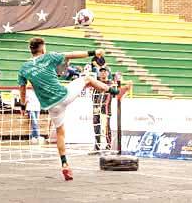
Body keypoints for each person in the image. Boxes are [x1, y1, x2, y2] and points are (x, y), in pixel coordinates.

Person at [18, 37, 131, 181]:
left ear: (31, 50)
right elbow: (71, 54)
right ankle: (115, 92)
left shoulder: (24, 67)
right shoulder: (49, 56)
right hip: (64, 96)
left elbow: (22, 89)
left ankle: (65, 164)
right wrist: (94, 52)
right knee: (87, 79)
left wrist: (22, 106)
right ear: (42, 48)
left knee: (60, 132)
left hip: (50, 106)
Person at [92, 67, 113, 151]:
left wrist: (101, 106)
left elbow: (109, 97)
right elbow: (94, 97)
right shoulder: (96, 83)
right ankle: (97, 144)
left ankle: (109, 145)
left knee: (106, 127)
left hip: (105, 109)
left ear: (108, 73)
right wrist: (95, 106)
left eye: (105, 71)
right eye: (101, 71)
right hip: (96, 109)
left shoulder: (110, 84)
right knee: (96, 127)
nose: (103, 73)